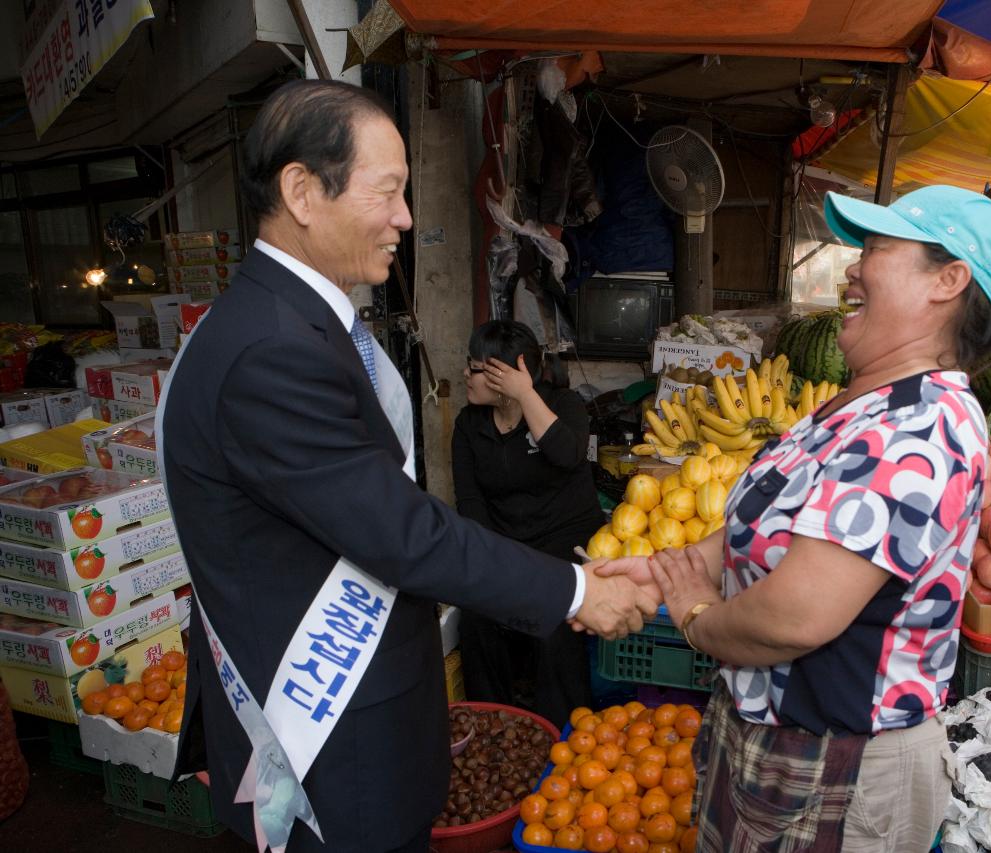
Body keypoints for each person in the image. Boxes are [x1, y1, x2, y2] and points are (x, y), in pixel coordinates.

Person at [158, 79, 656, 853]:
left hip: (354, 728)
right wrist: (574, 589)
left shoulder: (285, 321)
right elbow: (399, 530)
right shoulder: (272, 349)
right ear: (301, 191)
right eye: (387, 191)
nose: (406, 218)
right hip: (327, 751)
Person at [606, 185, 991, 852]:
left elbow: (797, 614)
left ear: (948, 280)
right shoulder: (864, 405)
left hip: (839, 768)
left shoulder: (917, 428)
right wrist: (657, 571)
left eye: (875, 249)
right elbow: (754, 528)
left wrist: (700, 619)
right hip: (781, 747)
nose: (852, 267)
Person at [451, 320, 599, 726]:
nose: (466, 373)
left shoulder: (565, 405)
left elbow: (568, 454)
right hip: (505, 546)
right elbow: (470, 501)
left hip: (563, 544)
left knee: (555, 620)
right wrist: (495, 561)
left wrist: (526, 395)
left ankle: (562, 730)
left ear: (507, 374)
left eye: (477, 367)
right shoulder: (469, 425)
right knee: (477, 619)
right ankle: (494, 725)